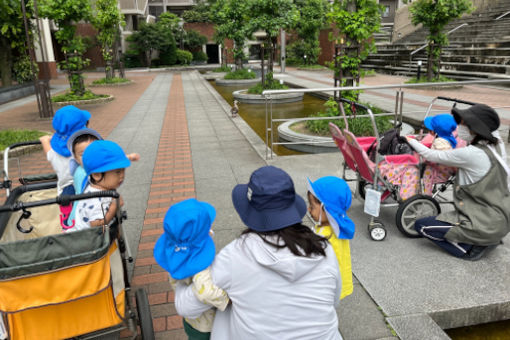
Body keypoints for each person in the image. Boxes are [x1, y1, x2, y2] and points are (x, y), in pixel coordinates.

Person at [173, 166, 342, 340]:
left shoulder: (236, 254)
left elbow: (186, 307)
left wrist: (183, 273)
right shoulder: (324, 249)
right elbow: (334, 301)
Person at [407, 104, 510, 260]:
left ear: (474, 128)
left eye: (462, 124)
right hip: (499, 218)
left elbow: (430, 155)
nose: (459, 127)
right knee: (443, 221)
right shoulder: (495, 146)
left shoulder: (471, 154)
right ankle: (487, 239)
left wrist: (408, 139)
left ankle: (469, 249)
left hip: (481, 222)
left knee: (422, 226)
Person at [153, 198, 229, 340]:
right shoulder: (200, 267)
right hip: (206, 327)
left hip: (191, 321)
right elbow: (206, 292)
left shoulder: (174, 256)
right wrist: (228, 300)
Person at [64, 129, 140, 229]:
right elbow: (97, 226)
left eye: (122, 171)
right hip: (88, 240)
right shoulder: (94, 199)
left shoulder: (97, 182)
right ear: (96, 175)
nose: (122, 175)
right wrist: (114, 206)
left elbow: (109, 160)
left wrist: (128, 157)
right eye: (118, 172)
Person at [307, 176, 355, 300]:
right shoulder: (338, 227)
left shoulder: (325, 237)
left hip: (325, 289)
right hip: (334, 284)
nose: (309, 209)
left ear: (325, 208)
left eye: (312, 207)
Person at [39, 105, 90, 195]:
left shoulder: (54, 152)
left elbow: (48, 152)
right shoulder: (86, 146)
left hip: (65, 193)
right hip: (88, 188)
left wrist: (45, 140)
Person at [420, 114, 458, 195]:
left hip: (440, 171)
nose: (429, 131)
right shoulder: (448, 137)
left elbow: (444, 156)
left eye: (430, 129)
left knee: (426, 170)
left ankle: (427, 194)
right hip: (441, 167)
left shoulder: (440, 142)